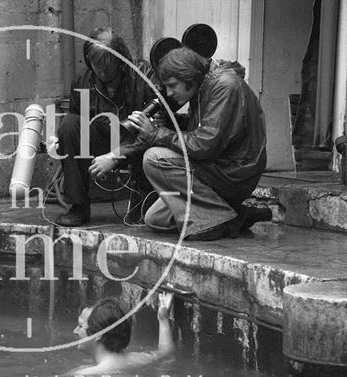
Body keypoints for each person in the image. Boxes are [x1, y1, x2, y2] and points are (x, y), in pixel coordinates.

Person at [126, 47, 271, 240]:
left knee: (154, 158)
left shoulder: (225, 87)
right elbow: (203, 130)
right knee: (156, 219)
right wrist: (170, 123)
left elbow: (204, 145)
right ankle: (236, 216)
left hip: (233, 172)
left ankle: (215, 220)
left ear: (189, 78)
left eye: (172, 85)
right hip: (215, 167)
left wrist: (157, 133)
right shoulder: (203, 86)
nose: (168, 93)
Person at [54, 26, 158, 227]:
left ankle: (143, 198)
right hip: (103, 140)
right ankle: (78, 206)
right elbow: (75, 126)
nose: (101, 72)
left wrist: (117, 155)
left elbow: (156, 130)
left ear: (120, 61)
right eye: (96, 65)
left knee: (155, 136)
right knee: (69, 125)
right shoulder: (83, 81)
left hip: (136, 143)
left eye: (107, 66)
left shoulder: (143, 75)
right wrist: (62, 140)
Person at [69, 292, 175, 376]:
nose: (75, 331)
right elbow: (165, 353)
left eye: (80, 326)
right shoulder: (137, 359)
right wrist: (163, 318)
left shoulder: (83, 374)